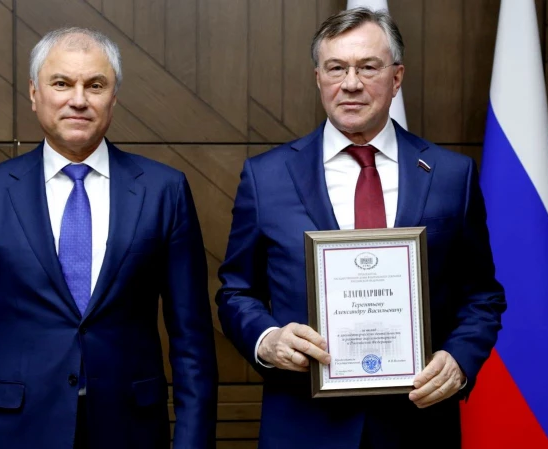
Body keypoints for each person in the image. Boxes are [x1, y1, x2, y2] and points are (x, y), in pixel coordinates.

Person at [216, 7, 505, 448]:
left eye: (368, 67)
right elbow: (236, 291)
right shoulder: (266, 177)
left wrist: (459, 360)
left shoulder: (451, 175)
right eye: (336, 68)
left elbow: (482, 295)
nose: (351, 83)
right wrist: (268, 339)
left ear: (396, 77)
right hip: (304, 427)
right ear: (318, 78)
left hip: (418, 428)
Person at [0, 27, 217, 449]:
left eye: (95, 85)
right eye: (61, 83)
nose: (78, 100)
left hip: (130, 431)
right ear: (34, 93)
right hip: (15, 432)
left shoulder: (163, 191)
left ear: (113, 97)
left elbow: (192, 343)